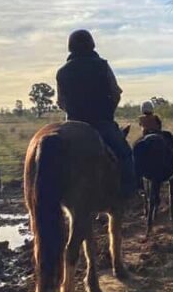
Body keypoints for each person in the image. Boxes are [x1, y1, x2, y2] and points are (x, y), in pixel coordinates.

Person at [56, 29, 136, 198]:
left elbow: (60, 102)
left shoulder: (62, 72)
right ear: (92, 44)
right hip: (102, 123)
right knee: (125, 155)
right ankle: (129, 192)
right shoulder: (102, 65)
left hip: (73, 125)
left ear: (70, 47)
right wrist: (108, 111)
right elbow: (115, 93)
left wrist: (73, 111)